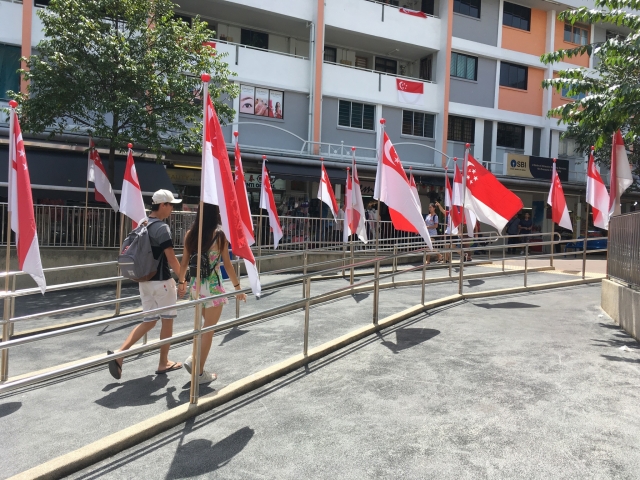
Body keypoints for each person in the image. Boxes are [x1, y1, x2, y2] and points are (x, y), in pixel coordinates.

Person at [108, 190, 183, 380]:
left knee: (149, 321)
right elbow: (171, 258)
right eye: (171, 205)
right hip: (162, 282)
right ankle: (163, 362)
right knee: (167, 321)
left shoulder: (143, 224)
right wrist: (183, 278)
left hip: (145, 281)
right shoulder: (161, 228)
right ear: (163, 205)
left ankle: (120, 353)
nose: (172, 209)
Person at [177, 203, 247, 384]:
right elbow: (227, 265)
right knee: (208, 330)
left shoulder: (190, 235)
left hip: (195, 285)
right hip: (213, 285)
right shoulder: (220, 235)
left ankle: (194, 359)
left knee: (200, 328)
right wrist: (238, 288)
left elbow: (184, 262)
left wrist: (181, 282)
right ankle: (199, 373)